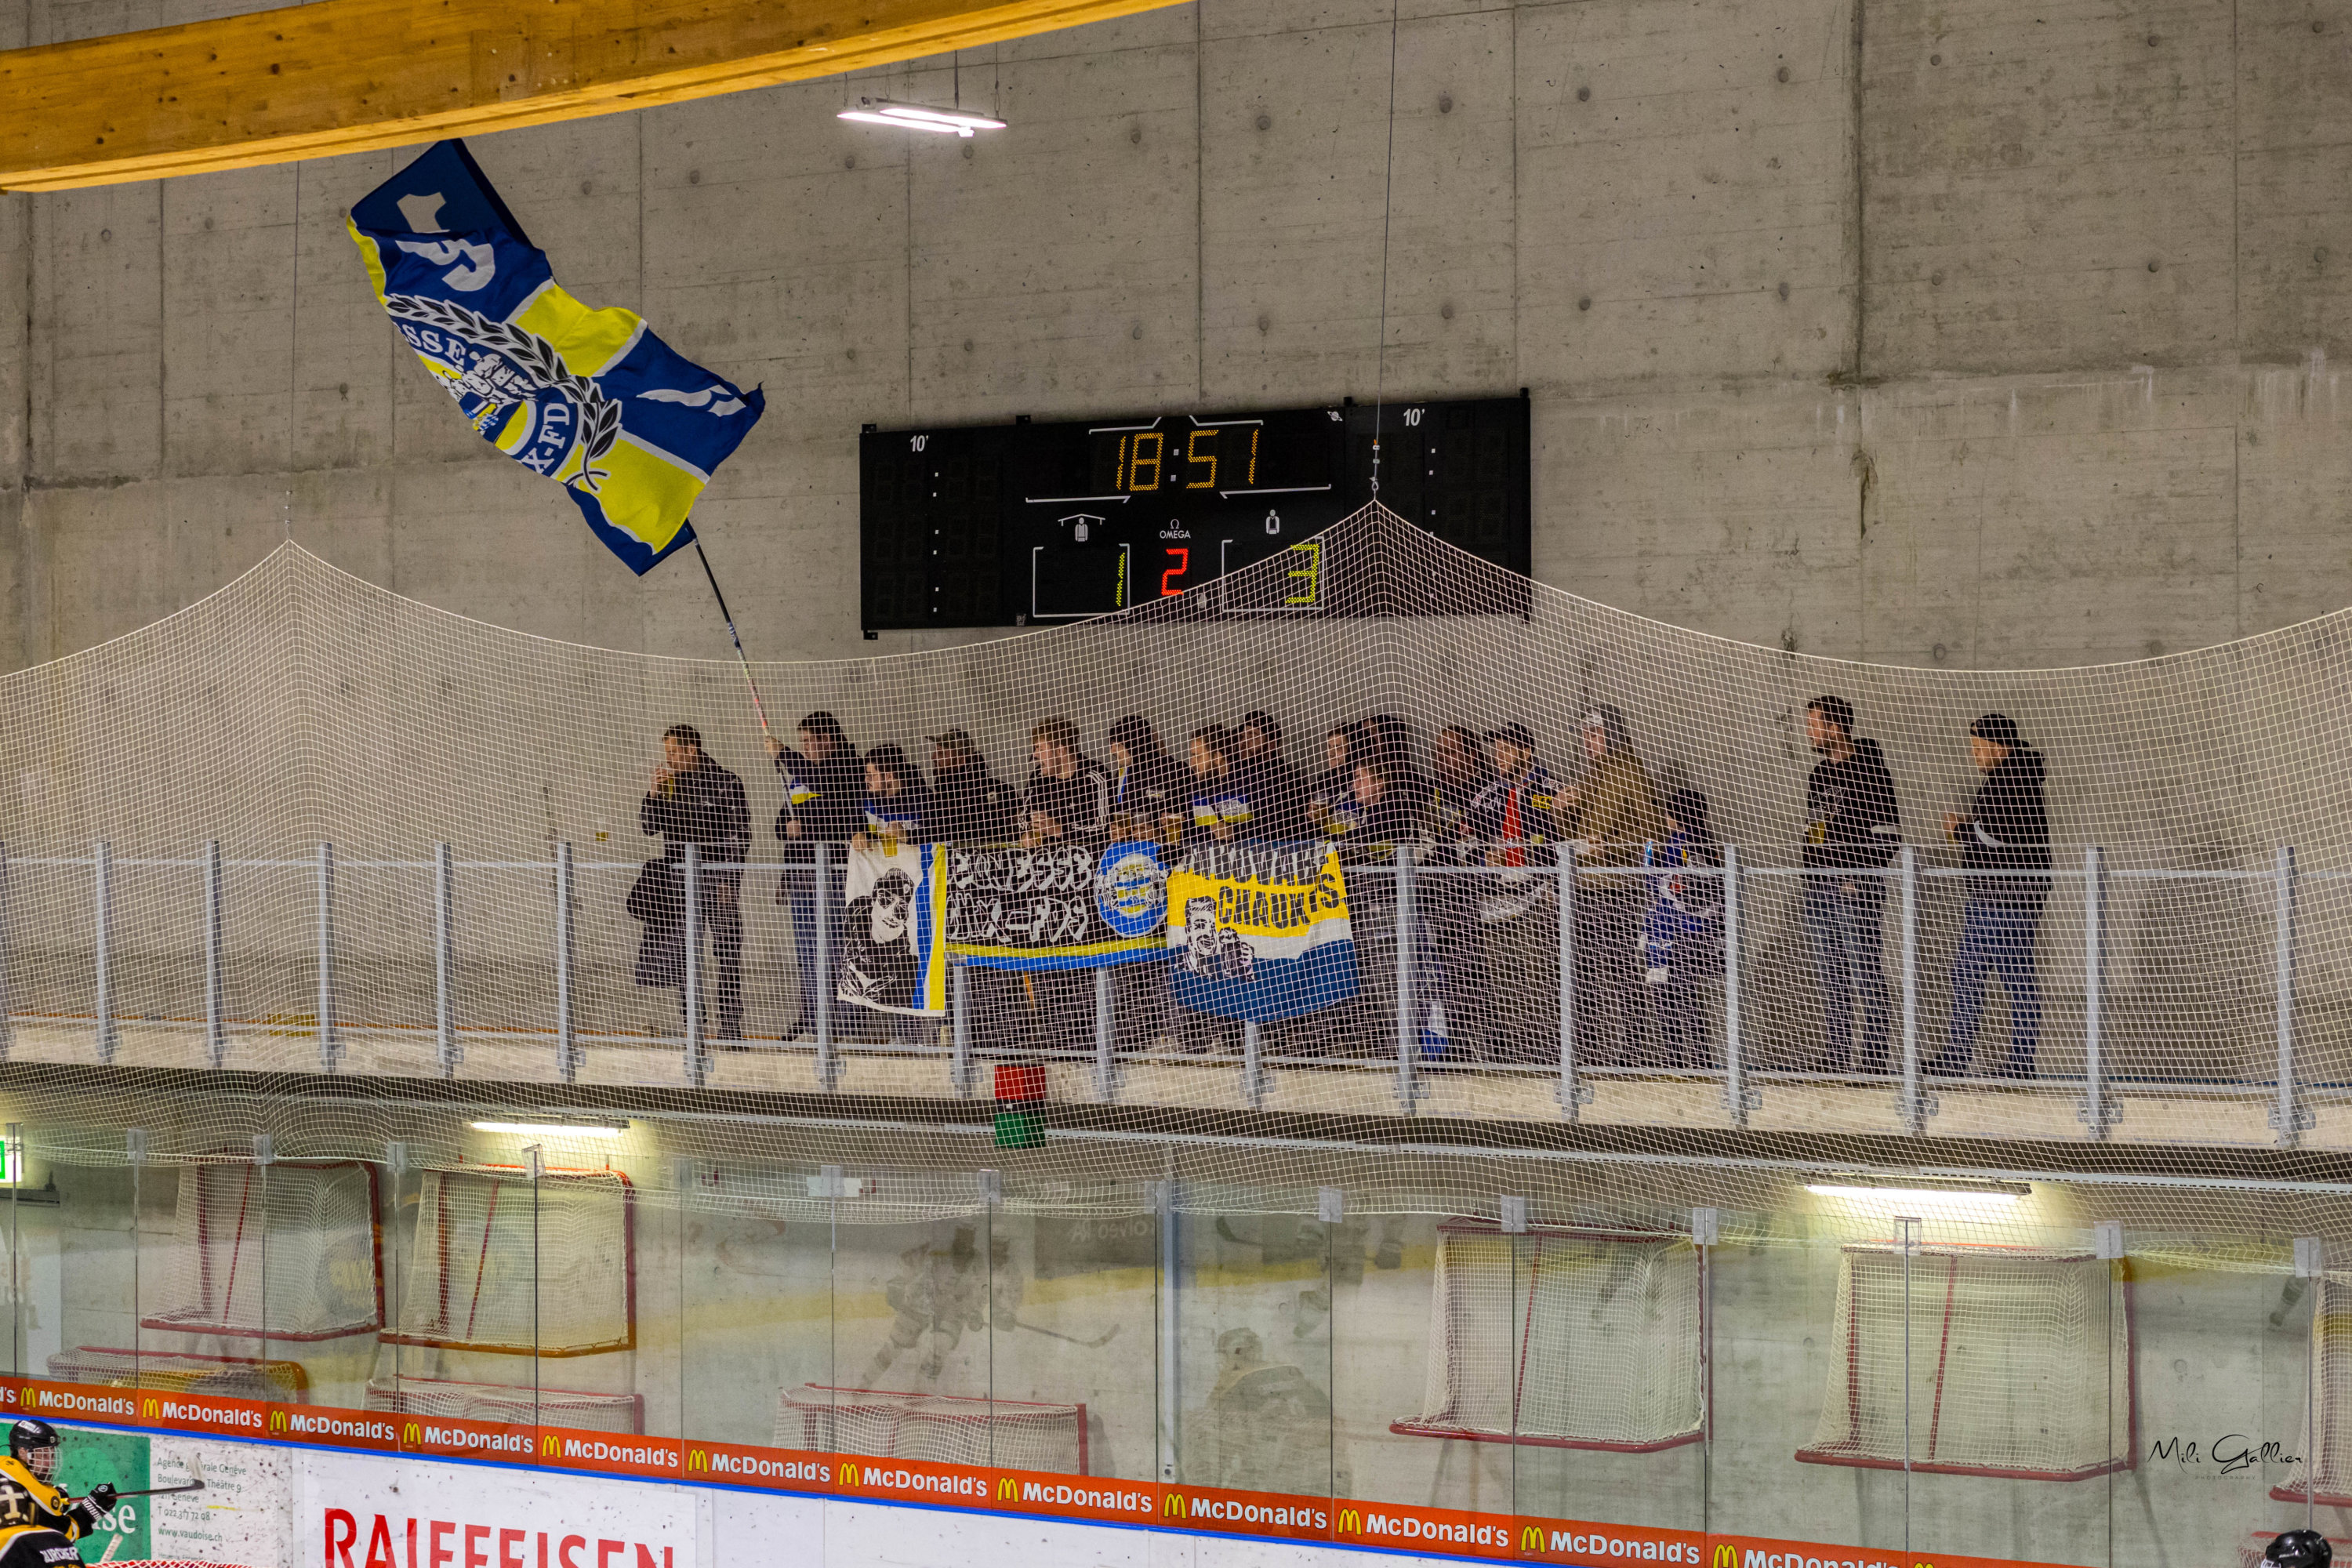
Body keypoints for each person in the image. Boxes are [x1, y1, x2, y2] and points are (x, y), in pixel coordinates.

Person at [1935, 713, 2050, 1079]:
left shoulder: (2010, 780)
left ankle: (1959, 1059)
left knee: (1971, 972)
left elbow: (1998, 836)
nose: (1974, 755)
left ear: (1999, 748)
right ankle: (2019, 1063)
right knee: (2015, 977)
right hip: (2008, 893)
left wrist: (1960, 830)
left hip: (2002, 895)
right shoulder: (2015, 776)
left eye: (1978, 747)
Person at [1558, 704, 1664, 1065]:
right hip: (1585, 885)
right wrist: (1560, 809)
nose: (1587, 741)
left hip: (1617, 887)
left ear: (1614, 734)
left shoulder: (1631, 772)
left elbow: (1653, 833)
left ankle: (1631, 1050)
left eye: (1595, 733)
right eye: (1584, 734)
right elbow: (1573, 836)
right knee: (1584, 971)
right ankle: (1586, 1052)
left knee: (1621, 970)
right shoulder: (1589, 776)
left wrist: (1612, 847)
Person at [1802, 696, 1903, 1073]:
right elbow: (1814, 829)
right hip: (1819, 888)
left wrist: (1858, 876)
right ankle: (1837, 1054)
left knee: (1864, 971)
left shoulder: (1872, 772)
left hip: (1856, 888)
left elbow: (1890, 836)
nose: (1809, 733)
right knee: (1831, 974)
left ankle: (1873, 1058)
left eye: (1815, 725)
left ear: (1835, 727)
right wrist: (1812, 873)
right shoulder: (1818, 774)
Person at [633, 724, 750, 1041]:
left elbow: (740, 835)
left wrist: (730, 881)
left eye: (673, 752)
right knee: (684, 953)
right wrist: (654, 793)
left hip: (717, 880)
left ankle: (730, 1026)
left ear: (691, 750)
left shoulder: (726, 781)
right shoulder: (670, 784)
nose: (668, 759)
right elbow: (648, 827)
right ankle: (693, 1024)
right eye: (667, 753)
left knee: (727, 952)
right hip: (679, 881)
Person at [1464, 722, 1562, 1060]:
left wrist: (1537, 855)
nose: (1499, 756)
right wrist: (1482, 856)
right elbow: (1464, 840)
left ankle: (1550, 1052)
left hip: (1538, 898)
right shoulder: (1486, 795)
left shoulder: (1551, 790)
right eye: (1496, 751)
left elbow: (1564, 841)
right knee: (1502, 980)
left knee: (1541, 978)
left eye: (1507, 750)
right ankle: (1510, 1052)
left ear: (1528, 752)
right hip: (1493, 900)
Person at [769, 710, 862, 1040]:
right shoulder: (799, 776)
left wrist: (784, 754)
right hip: (802, 874)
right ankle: (814, 1018)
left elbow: (832, 800)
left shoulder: (849, 767)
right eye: (802, 742)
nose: (806, 747)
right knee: (808, 950)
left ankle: (847, 1024)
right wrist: (788, 828)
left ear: (830, 739)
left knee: (839, 949)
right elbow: (781, 823)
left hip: (836, 873)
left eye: (811, 741)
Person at [1642, 789, 1722, 1068]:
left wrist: (1650, 859)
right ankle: (1700, 1059)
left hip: (1676, 931)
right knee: (1687, 994)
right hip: (1699, 929)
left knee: (1670, 995)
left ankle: (1676, 1060)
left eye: (1668, 813)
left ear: (1676, 816)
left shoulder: (1677, 845)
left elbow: (1663, 885)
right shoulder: (1707, 842)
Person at [0, 1421, 114, 1568]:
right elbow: (61, 1534)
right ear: (22, 1453)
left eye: (51, 1455)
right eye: (43, 1455)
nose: (49, 1463)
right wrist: (88, 1512)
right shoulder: (26, 1483)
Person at [1022, 716, 1112, 846]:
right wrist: (1026, 834)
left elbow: (1104, 828)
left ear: (1060, 751)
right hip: (1044, 856)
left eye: (1040, 749)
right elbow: (1023, 818)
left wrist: (1058, 830)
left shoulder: (1094, 776)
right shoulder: (1038, 777)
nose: (1035, 755)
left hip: (1086, 856)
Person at [924, 729, 1021, 844]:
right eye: (936, 751)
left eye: (941, 753)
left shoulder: (999, 793)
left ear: (961, 759)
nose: (933, 757)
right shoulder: (942, 796)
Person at [1105, 715, 1185, 840]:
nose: (1113, 751)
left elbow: (1189, 820)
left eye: (1118, 745)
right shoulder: (1121, 775)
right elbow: (1114, 815)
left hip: (1166, 850)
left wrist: (1158, 835)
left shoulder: (1174, 770)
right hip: (1130, 850)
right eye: (1111, 745)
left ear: (1134, 744)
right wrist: (1113, 831)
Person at [1236, 710, 1305, 841]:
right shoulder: (1233, 776)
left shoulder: (1287, 782)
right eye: (1242, 736)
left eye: (1253, 736)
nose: (1244, 742)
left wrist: (1235, 832)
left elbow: (1277, 829)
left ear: (1271, 745)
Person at [856, 742, 931, 850]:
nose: (866, 780)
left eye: (871, 775)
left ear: (889, 776)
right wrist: (856, 833)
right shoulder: (865, 795)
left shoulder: (923, 799)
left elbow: (939, 832)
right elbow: (852, 820)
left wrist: (908, 836)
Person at [1185, 724, 1253, 843]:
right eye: (1192, 755)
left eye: (1198, 756)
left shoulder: (1249, 781)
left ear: (1217, 757)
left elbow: (1272, 825)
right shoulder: (1196, 787)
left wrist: (1234, 832)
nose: (1192, 763)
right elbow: (1194, 834)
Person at [1307, 724, 1362, 840]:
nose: (1331, 753)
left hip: (1351, 846)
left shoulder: (1360, 780)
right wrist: (1312, 818)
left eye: (1338, 748)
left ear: (1352, 750)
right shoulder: (1322, 781)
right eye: (1329, 747)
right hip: (1322, 844)